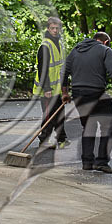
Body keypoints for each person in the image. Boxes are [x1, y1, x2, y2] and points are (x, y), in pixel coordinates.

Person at [62, 31, 112, 173]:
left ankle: (87, 162)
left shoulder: (75, 50)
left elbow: (64, 72)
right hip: (96, 93)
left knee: (88, 126)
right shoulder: (105, 50)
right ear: (106, 42)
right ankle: (101, 162)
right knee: (108, 126)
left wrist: (65, 93)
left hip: (78, 94)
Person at [33, 17, 67, 149]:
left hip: (57, 88)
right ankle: (44, 140)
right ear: (48, 29)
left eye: (57, 28)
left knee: (59, 113)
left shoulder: (59, 44)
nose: (55, 30)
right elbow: (43, 69)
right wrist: (46, 88)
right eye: (52, 28)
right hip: (47, 89)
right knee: (49, 115)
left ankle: (61, 138)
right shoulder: (45, 46)